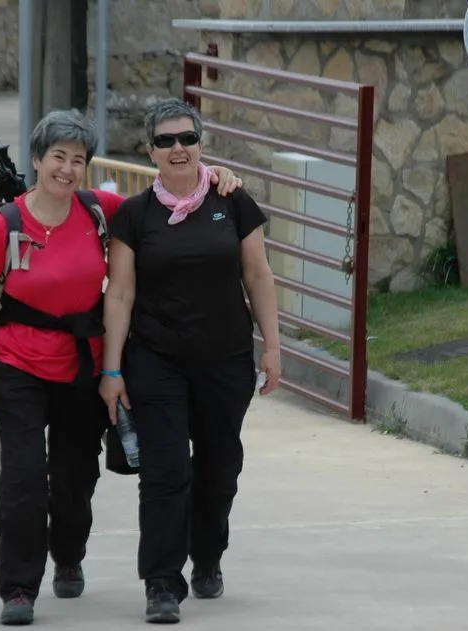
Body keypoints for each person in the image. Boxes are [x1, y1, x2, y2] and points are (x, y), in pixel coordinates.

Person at [0, 108, 242, 626]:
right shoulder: (8, 225)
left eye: (78, 159)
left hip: (82, 367)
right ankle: (18, 589)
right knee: (23, 477)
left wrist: (218, 176)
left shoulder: (101, 210)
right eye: (58, 157)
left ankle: (68, 556)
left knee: (74, 480)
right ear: (37, 160)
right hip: (18, 363)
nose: (67, 169)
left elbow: (168, 195)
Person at [99, 97, 282, 624]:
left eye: (187, 138)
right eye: (166, 141)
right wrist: (112, 370)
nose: (178, 148)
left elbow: (258, 275)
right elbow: (120, 294)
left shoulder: (233, 199)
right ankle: (161, 581)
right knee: (166, 470)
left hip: (225, 359)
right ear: (149, 151)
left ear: (201, 144)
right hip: (156, 360)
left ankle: (207, 556)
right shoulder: (135, 215)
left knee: (220, 467)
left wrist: (272, 347)